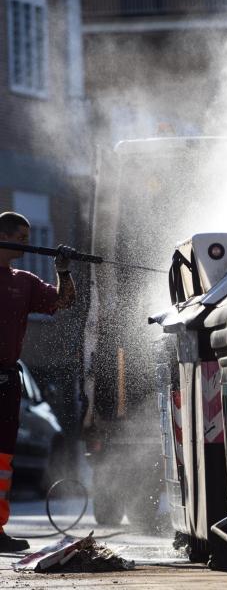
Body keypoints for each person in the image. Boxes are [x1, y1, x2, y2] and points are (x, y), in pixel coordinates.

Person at [0, 212, 76, 552]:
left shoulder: (25, 282)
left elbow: (64, 301)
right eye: (20, 237)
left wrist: (63, 271)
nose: (28, 244)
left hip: (6, 379)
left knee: (2, 457)